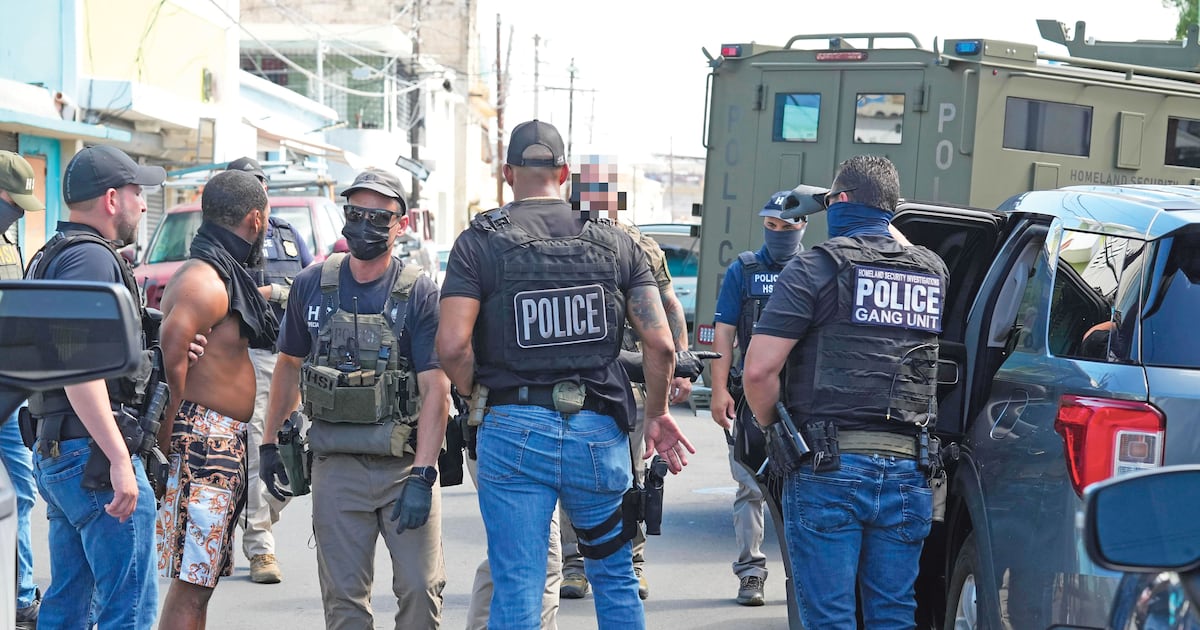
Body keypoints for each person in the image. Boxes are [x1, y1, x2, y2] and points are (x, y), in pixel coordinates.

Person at [437, 119, 695, 630]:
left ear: (508, 173)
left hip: (512, 428)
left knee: (519, 583)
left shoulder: (478, 242)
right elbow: (662, 344)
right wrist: (658, 411)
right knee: (615, 576)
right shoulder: (616, 241)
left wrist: (474, 392)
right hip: (598, 434)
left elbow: (451, 346)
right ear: (564, 173)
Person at [742, 155, 949, 629]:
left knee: (830, 617)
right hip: (910, 470)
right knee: (893, 614)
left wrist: (775, 430)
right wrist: (869, 207)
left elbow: (759, 371)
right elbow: (891, 245)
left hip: (828, 467)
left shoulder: (814, 266)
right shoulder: (933, 270)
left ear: (840, 202)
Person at [260, 167, 450, 628]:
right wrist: (268, 444)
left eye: (378, 217)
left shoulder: (419, 293)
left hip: (403, 465)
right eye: (355, 214)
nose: (365, 225)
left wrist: (424, 474)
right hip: (336, 465)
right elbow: (288, 365)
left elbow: (436, 388)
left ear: (401, 225)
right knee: (344, 604)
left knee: (421, 592)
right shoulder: (311, 284)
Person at [22, 144, 167, 628]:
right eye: (136, 192)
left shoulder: (55, 254)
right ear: (111, 199)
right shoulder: (90, 259)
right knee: (128, 611)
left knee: (67, 606)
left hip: (62, 450)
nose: (142, 204)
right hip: (92, 457)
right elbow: (80, 368)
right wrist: (119, 459)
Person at [559, 154, 694, 601]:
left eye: (603, 193)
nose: (595, 201)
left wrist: (680, 364)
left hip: (630, 383)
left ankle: (632, 562)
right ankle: (575, 565)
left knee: (630, 474)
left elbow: (670, 306)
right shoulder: (558, 241)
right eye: (587, 192)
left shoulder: (639, 245)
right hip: (574, 382)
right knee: (571, 473)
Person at [156, 169, 278, 628]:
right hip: (202, 445)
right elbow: (170, 354)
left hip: (216, 443)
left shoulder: (219, 274)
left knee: (199, 585)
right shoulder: (204, 281)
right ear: (255, 219)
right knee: (192, 587)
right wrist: (164, 448)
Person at [708, 189, 808, 607]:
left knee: (802, 490)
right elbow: (724, 335)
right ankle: (751, 572)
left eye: (787, 226)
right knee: (750, 486)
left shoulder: (814, 268)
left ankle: (801, 576)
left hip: (801, 400)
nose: (779, 232)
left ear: (804, 225)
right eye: (771, 225)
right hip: (750, 398)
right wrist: (718, 391)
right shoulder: (744, 270)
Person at [226, 156, 314, 585]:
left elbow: (313, 286)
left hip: (296, 360)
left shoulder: (288, 235)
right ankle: (260, 545)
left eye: (261, 183)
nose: (258, 192)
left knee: (297, 454)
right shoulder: (225, 241)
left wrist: (274, 291)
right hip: (253, 358)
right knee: (261, 452)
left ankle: (245, 516)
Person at [0, 150, 45, 628]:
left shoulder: (9, 241)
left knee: (21, 493)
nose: (17, 213)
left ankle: (19, 594)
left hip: (11, 390)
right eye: (13, 203)